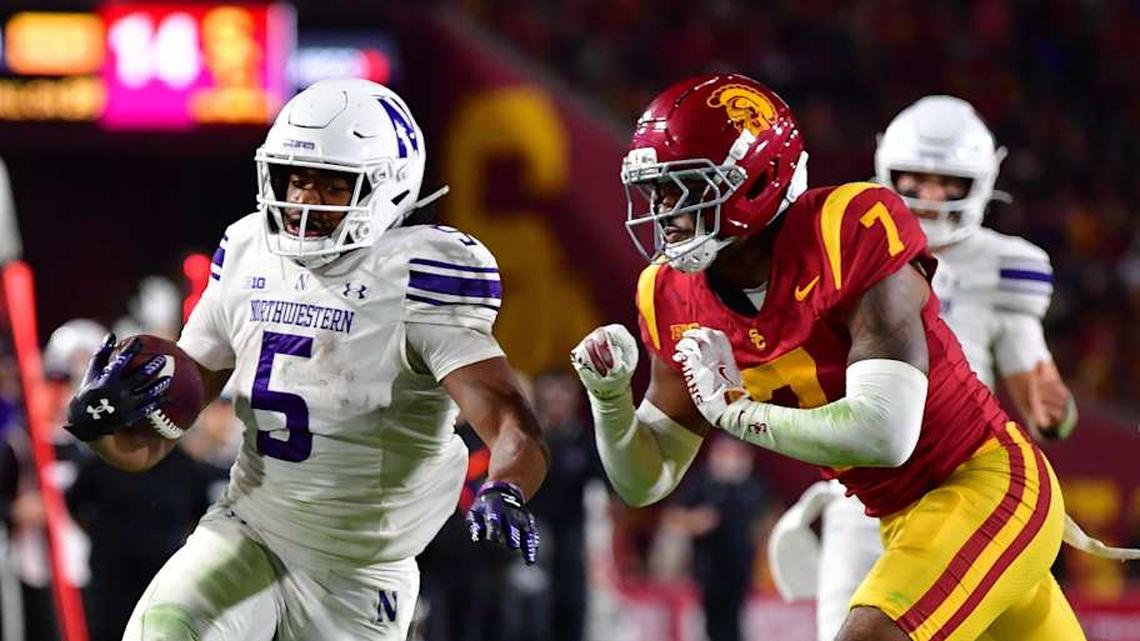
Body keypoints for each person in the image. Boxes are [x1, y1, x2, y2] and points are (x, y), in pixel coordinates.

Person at [571, 74, 1085, 641]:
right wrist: (610, 400)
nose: (665, 211)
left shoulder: (848, 228)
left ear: (758, 180)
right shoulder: (668, 293)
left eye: (687, 187)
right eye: (657, 190)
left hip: (985, 485)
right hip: (894, 518)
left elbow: (885, 433)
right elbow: (645, 480)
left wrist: (740, 413)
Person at [63, 78, 549, 641]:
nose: (303, 201)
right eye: (296, 179)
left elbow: (513, 424)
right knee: (163, 631)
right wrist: (102, 424)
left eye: (331, 185)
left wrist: (506, 486)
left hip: (358, 572)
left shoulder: (420, 275)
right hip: (249, 530)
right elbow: (154, 441)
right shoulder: (249, 250)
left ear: (388, 188)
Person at [767, 95, 1080, 641]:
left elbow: (1038, 383)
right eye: (917, 180)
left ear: (980, 182)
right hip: (865, 493)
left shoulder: (1003, 265)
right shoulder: (845, 245)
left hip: (962, 478)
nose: (931, 196)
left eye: (948, 183)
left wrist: (1055, 410)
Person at [665, 434, 767, 641]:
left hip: (741, 571)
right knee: (706, 625)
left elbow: (767, 519)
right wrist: (696, 521)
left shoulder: (752, 486)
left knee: (735, 625)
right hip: (707, 572)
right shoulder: (702, 482)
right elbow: (672, 517)